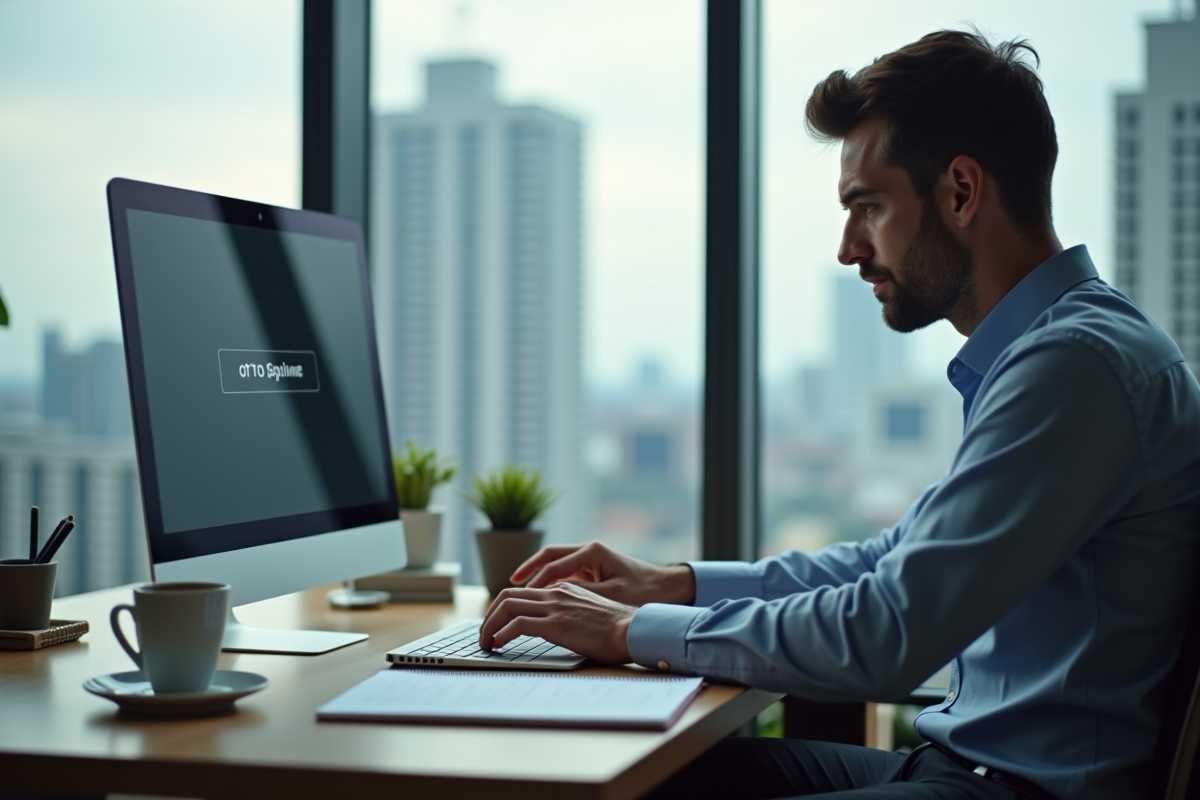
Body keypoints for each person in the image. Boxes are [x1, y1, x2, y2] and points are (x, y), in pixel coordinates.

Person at [478, 29, 1200, 800]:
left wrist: (628, 631)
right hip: (964, 769)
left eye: (868, 206)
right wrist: (673, 585)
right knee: (645, 775)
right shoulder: (1050, 351)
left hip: (1014, 791)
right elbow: (887, 566)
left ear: (960, 191)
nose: (848, 248)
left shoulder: (1076, 366)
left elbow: (887, 631)